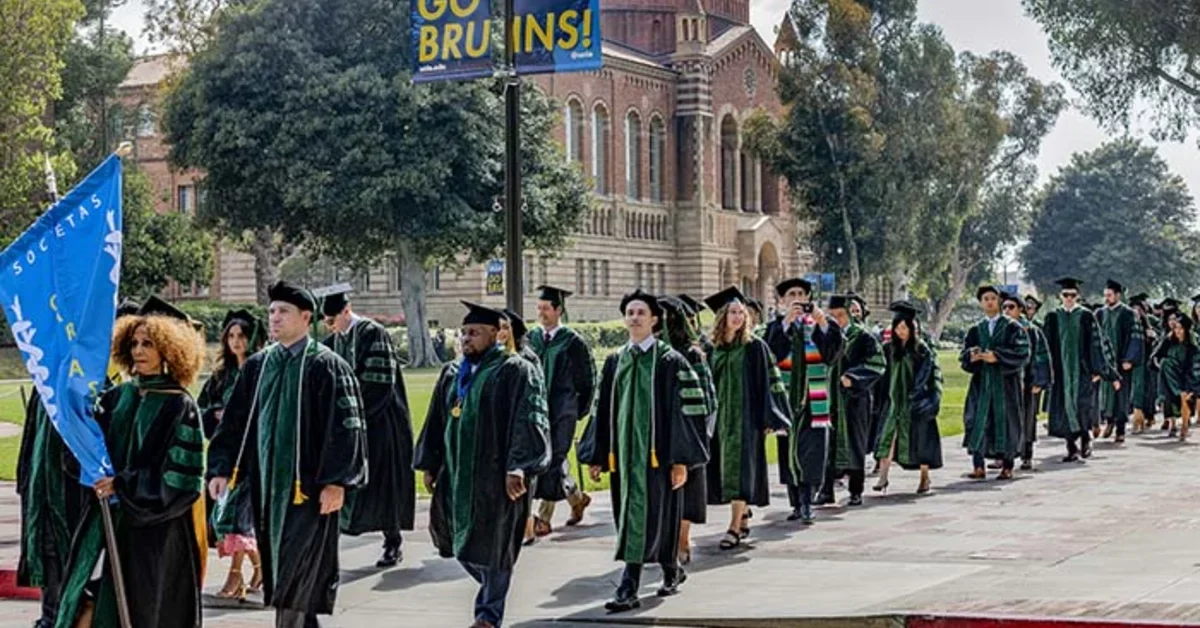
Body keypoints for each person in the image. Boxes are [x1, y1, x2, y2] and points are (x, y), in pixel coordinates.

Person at [207, 281, 367, 628]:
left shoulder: (328, 365)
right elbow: (232, 424)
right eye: (272, 312)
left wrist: (338, 482)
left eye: (284, 312)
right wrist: (220, 469)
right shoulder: (259, 366)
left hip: (308, 491)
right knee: (291, 579)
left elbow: (347, 428)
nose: (275, 318)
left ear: (306, 317)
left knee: (298, 574)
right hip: (268, 491)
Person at [55, 297, 206, 628]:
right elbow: (84, 453)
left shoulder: (180, 406)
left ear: (169, 349)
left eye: (149, 343)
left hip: (153, 534)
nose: (139, 350)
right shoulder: (115, 398)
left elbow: (183, 481)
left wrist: (123, 484)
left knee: (142, 612)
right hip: (104, 523)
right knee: (83, 607)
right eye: (134, 342)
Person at [414, 301, 551, 628]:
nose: (466, 339)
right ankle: (492, 589)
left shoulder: (515, 370)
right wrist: (430, 462)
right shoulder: (453, 372)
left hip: (498, 475)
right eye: (463, 333)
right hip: (458, 474)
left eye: (474, 333)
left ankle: (487, 615)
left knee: (497, 545)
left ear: (496, 334)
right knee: (459, 545)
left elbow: (528, 419)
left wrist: (518, 466)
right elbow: (437, 420)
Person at [580, 290, 709, 613]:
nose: (635, 317)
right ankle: (659, 571)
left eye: (641, 312)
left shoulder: (670, 361)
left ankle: (635, 582)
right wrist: (598, 454)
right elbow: (603, 410)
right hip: (624, 457)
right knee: (633, 517)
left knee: (659, 516)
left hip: (660, 457)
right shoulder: (614, 361)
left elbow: (689, 410)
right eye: (630, 312)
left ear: (654, 320)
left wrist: (681, 460)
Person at [320, 286, 416, 568]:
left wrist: (355, 413)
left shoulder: (373, 333)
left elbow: (379, 382)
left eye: (332, 319)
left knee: (385, 483)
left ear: (346, 311)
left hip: (382, 421)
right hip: (352, 423)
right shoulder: (334, 340)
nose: (330, 325)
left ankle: (392, 542)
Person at [703, 287, 791, 550]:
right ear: (722, 316)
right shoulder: (712, 349)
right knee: (722, 471)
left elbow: (769, 384)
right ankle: (741, 517)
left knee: (742, 472)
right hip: (719, 421)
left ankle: (732, 527)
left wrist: (770, 418)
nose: (738, 317)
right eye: (733, 312)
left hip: (746, 420)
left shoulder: (755, 347)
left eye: (741, 312)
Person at [199, 309, 266, 600]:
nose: (236, 342)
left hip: (251, 456)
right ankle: (261, 567)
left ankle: (235, 578)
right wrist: (217, 416)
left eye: (242, 336)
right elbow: (201, 409)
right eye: (231, 336)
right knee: (229, 517)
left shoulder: (260, 371)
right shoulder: (220, 377)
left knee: (239, 517)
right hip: (226, 454)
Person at [763, 278, 843, 523]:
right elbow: (770, 353)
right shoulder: (777, 326)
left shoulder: (822, 323)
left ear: (809, 299)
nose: (797, 297)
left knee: (812, 450)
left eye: (801, 293)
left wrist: (823, 326)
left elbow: (832, 355)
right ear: (782, 300)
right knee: (788, 450)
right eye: (791, 294)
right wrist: (786, 323)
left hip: (814, 398)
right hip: (787, 398)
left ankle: (808, 501)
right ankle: (795, 503)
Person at [526, 286, 596, 540]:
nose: (541, 313)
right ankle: (577, 498)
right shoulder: (531, 339)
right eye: (539, 308)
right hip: (538, 408)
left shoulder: (572, 341)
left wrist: (578, 408)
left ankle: (543, 518)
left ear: (558, 310)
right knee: (543, 457)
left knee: (553, 458)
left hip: (563, 409)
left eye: (546, 308)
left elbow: (587, 378)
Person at [656, 295, 717, 565]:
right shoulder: (649, 351)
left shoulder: (691, 353)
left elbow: (708, 398)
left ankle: (682, 539)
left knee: (687, 489)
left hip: (688, 432)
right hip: (656, 433)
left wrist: (702, 435)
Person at [819, 295, 885, 506]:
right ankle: (826, 490)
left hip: (856, 399)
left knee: (855, 442)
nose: (837, 319)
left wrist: (854, 378)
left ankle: (855, 490)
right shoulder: (826, 336)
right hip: (830, 397)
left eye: (840, 315)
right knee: (828, 443)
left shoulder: (864, 336)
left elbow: (878, 363)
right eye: (833, 315)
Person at [1043, 278, 1119, 463]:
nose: (1069, 298)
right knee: (1064, 407)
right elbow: (1045, 346)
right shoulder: (1052, 317)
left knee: (1083, 407)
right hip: (1060, 373)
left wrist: (1098, 370)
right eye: (1066, 295)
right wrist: (1046, 370)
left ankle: (1085, 439)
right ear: (1060, 296)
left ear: (1078, 296)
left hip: (1082, 371)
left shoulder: (1086, 316)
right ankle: (1071, 447)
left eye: (1072, 295)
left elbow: (1096, 344)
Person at [960, 288, 1030, 480]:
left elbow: (1023, 352)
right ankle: (978, 465)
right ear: (981, 303)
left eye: (993, 298)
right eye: (985, 299)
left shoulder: (1012, 327)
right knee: (976, 421)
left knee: (1007, 422)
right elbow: (964, 356)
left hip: (1005, 385)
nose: (989, 302)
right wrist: (972, 357)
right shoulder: (976, 329)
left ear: (999, 301)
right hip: (981, 385)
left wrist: (997, 357)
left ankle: (1007, 466)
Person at [873, 301, 942, 494]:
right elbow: (882, 375)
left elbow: (926, 375)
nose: (901, 332)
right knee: (888, 438)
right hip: (893, 402)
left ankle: (924, 477)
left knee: (920, 442)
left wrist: (918, 397)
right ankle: (883, 477)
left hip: (915, 402)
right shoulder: (888, 349)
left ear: (912, 328)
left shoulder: (922, 350)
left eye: (904, 328)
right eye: (898, 328)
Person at [1096, 280, 1144, 444]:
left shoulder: (1128, 313)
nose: (1107, 298)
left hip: (1122, 361)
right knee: (1106, 393)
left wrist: (1129, 359)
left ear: (1118, 295)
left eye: (1109, 295)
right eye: (1105, 295)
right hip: (1106, 362)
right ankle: (1109, 422)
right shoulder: (1100, 313)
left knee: (1121, 395)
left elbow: (1135, 337)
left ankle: (1121, 429)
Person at [1010, 296, 1052, 471]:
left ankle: (1027, 454)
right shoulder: (1003, 329)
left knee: (1028, 418)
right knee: (1008, 418)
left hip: (1029, 381)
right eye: (1004, 307)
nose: (1006, 310)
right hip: (1009, 382)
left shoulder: (1033, 330)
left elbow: (1042, 356)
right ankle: (1006, 454)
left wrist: (1040, 381)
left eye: (1010, 307)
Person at [1152, 311, 1200, 441]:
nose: (1177, 331)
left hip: (1185, 377)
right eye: (1175, 328)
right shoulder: (1168, 341)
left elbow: (1194, 368)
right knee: (1169, 400)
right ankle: (1173, 425)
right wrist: (1159, 366)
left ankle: (1184, 426)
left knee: (1185, 399)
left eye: (1180, 328)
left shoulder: (1192, 347)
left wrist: (1192, 386)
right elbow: (1155, 356)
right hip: (1169, 377)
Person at [1129, 293, 1160, 433]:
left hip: (1147, 363)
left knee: (1148, 390)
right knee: (1136, 389)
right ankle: (1137, 418)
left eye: (1138, 309)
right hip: (1133, 363)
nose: (1136, 312)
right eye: (1133, 309)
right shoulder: (1128, 324)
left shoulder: (1150, 325)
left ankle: (1148, 416)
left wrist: (1152, 336)